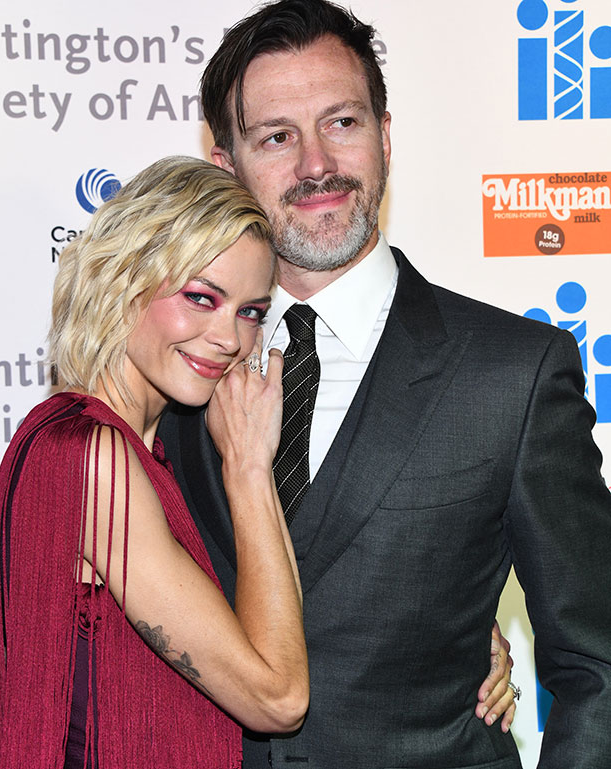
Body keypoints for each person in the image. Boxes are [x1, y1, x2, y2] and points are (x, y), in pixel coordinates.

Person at [157, 1, 611, 767]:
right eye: (276, 137)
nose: (315, 165)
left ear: (386, 137)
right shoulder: (173, 368)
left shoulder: (512, 373)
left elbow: (596, 663)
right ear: (224, 167)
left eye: (342, 122)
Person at [0, 156, 310, 768]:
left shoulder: (75, 440)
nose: (229, 338)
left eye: (250, 312)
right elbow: (279, 698)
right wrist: (247, 468)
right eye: (201, 297)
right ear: (123, 280)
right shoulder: (92, 455)